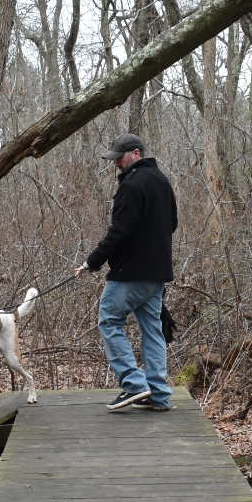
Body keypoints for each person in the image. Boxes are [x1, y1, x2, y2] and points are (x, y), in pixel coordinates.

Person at [74, 132, 178, 411]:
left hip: (130, 273)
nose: (116, 163)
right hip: (157, 274)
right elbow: (172, 224)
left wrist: (92, 262)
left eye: (119, 158)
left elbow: (118, 232)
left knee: (109, 321)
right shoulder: (162, 181)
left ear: (136, 154)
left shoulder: (132, 185)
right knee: (153, 330)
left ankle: (134, 384)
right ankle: (159, 395)